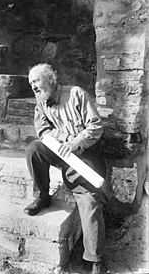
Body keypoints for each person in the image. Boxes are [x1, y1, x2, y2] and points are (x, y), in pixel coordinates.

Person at [24, 63, 108, 274]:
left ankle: (95, 258)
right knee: (34, 149)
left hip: (85, 154)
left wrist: (75, 142)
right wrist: (64, 139)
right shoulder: (41, 102)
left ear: (51, 78)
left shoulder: (76, 94)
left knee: (88, 197)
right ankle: (43, 196)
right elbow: (42, 131)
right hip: (61, 151)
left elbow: (96, 126)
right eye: (30, 83)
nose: (33, 86)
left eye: (36, 81)